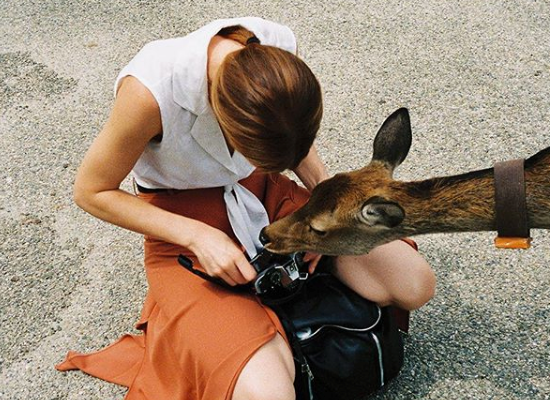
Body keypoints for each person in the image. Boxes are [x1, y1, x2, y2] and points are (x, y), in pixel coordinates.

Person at [56, 17, 436, 400]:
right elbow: (91, 191)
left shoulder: (276, 47)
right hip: (184, 226)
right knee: (269, 394)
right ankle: (240, 331)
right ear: (222, 123)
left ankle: (266, 326)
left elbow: (295, 147)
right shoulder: (149, 92)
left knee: (414, 284)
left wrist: (327, 212)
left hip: (267, 196)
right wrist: (198, 236)